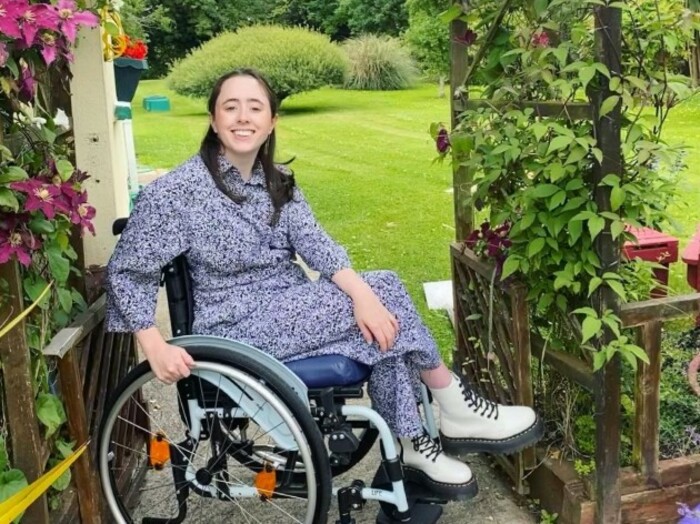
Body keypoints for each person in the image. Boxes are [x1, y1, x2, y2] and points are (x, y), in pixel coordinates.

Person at [105, 68, 542, 498]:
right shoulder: (178, 192)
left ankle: (413, 446)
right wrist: (153, 344)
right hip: (235, 326)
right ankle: (453, 403)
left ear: (271, 121)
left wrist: (360, 295)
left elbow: (319, 246)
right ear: (214, 120)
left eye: (255, 108)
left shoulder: (277, 181)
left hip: (289, 307)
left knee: (380, 321)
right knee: (384, 290)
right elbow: (127, 270)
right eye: (231, 107)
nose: (243, 117)